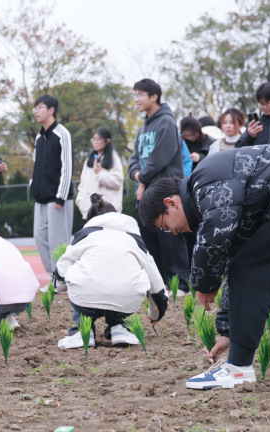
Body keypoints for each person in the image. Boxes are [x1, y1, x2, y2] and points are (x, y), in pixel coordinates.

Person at [138, 143, 270, 390]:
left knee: (250, 270)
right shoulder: (213, 195)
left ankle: (238, 369)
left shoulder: (204, 180)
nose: (174, 232)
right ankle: (237, 360)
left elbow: (216, 238)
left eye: (165, 226)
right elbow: (234, 254)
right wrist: (228, 331)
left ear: (171, 203)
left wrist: (204, 283)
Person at [56, 194, 168, 349]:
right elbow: (154, 279)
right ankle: (119, 327)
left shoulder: (84, 235)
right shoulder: (134, 238)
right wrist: (157, 312)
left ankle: (83, 332)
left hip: (86, 296)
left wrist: (60, 285)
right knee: (122, 285)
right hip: (125, 299)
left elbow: (64, 265)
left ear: (91, 220)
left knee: (81, 283)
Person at [127, 79, 190, 293]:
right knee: (149, 239)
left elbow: (159, 159)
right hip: (146, 191)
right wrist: (138, 175)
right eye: (135, 94)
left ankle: (182, 284)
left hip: (164, 190)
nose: (136, 99)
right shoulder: (144, 126)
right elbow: (134, 158)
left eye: (140, 94)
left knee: (170, 238)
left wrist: (142, 180)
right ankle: (165, 283)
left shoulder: (166, 123)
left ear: (154, 96)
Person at [31, 94, 73, 290]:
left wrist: (61, 196)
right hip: (40, 198)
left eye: (40, 107)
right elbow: (36, 165)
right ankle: (54, 278)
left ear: (51, 110)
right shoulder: (39, 138)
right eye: (35, 108)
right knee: (39, 237)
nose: (36, 111)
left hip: (58, 198)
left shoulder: (62, 134)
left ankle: (63, 278)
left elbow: (67, 167)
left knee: (59, 241)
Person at [75, 127, 124, 220]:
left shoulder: (113, 158)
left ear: (107, 140)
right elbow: (82, 184)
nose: (95, 142)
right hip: (89, 212)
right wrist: (80, 202)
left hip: (108, 213)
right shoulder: (89, 160)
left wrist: (100, 174)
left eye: (98, 139)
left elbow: (117, 181)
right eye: (93, 139)